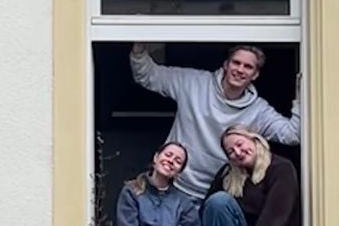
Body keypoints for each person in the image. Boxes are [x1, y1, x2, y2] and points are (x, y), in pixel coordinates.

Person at [129, 43, 300, 203]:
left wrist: (302, 95)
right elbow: (147, 75)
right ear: (226, 64)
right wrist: (139, 44)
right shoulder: (193, 83)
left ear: (255, 75)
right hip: (175, 186)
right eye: (236, 63)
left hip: (219, 195)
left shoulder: (258, 111)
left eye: (248, 66)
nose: (240, 70)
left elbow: (292, 135)